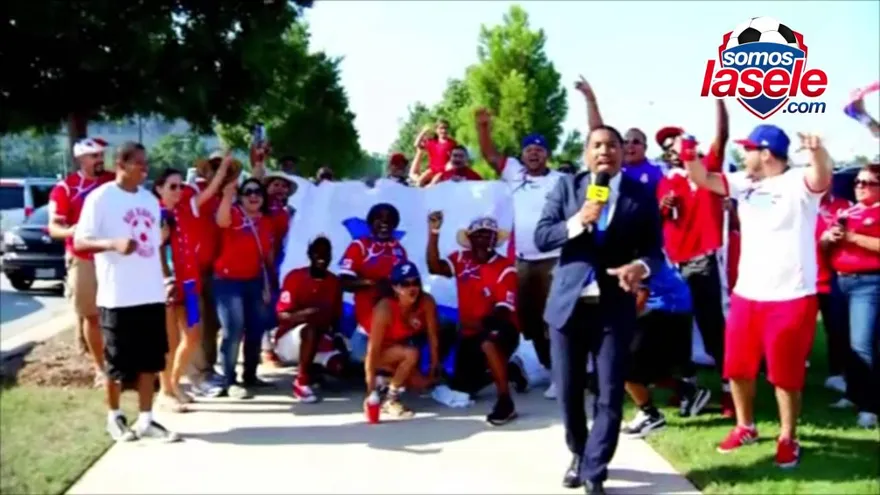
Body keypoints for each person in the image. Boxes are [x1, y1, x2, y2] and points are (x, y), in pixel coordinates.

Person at [683, 125, 832, 468]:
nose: (743, 155)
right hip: (747, 295)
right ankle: (745, 426)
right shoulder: (743, 182)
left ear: (765, 153)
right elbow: (705, 179)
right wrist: (689, 153)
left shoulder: (798, 182)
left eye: (748, 149)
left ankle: (787, 438)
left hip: (792, 296)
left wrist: (817, 151)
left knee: (785, 375)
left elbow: (821, 177)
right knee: (737, 368)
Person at [534, 125, 664, 494]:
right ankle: (578, 452)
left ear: (623, 152)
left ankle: (595, 470)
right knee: (569, 392)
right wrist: (578, 221)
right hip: (568, 308)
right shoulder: (567, 188)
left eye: (612, 145)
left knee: (608, 392)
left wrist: (641, 267)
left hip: (613, 307)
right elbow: (542, 236)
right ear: (586, 153)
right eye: (597, 145)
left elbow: (654, 251)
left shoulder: (640, 195)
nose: (604, 151)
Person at [73, 141, 179, 442]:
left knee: (150, 360)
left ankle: (146, 420)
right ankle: (114, 417)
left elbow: (153, 245)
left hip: (150, 293)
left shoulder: (148, 200)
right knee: (117, 362)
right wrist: (112, 244)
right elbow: (81, 242)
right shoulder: (101, 198)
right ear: (120, 164)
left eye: (146, 163)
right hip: (118, 295)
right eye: (139, 163)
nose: (145, 169)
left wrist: (165, 277)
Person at [475, 107, 563, 400]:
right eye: (529, 150)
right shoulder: (513, 172)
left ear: (547, 154)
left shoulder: (560, 180)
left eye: (539, 149)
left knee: (554, 319)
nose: (534, 154)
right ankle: (550, 369)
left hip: (553, 258)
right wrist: (483, 127)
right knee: (530, 322)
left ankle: (562, 375)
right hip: (523, 261)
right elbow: (490, 155)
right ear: (522, 155)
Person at [654, 100, 732, 417]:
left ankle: (730, 391)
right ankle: (688, 387)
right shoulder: (666, 180)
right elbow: (660, 218)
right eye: (668, 145)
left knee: (713, 327)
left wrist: (719, 99)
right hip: (676, 264)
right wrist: (664, 205)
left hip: (704, 258)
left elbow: (723, 135)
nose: (673, 148)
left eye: (677, 141)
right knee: (678, 329)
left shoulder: (708, 167)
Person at [426, 212, 520, 425]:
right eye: (478, 234)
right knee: (463, 387)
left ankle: (505, 401)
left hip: (501, 329)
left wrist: (472, 325)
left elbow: (501, 314)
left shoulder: (506, 267)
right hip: (470, 333)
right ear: (470, 239)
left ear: (495, 240)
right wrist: (434, 233)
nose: (483, 239)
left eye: (489, 235)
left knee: (488, 342)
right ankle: (510, 370)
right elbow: (434, 267)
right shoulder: (460, 258)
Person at [48, 137, 115, 386]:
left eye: (101, 155)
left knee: (117, 313)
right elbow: (54, 227)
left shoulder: (112, 181)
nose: (99, 160)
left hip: (113, 256)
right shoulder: (65, 188)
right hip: (84, 258)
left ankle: (119, 363)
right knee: (92, 315)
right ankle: (100, 369)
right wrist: (73, 231)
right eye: (94, 156)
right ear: (80, 159)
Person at [621, 258, 711, 438]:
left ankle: (651, 415)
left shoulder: (630, 248)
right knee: (645, 367)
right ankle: (688, 391)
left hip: (666, 307)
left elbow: (641, 293)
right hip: (670, 304)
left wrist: (622, 324)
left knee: (622, 365)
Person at [824, 164, 880, 428]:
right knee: (843, 340)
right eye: (858, 182)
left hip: (868, 283)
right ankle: (853, 394)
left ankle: (870, 406)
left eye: (867, 183)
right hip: (841, 280)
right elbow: (826, 244)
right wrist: (828, 238)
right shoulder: (848, 211)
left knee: (863, 345)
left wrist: (852, 237)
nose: (860, 186)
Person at [152, 168, 213, 412]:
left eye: (180, 186)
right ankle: (166, 391)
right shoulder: (158, 214)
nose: (178, 191)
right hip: (169, 285)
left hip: (189, 283)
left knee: (192, 336)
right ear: (159, 189)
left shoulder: (181, 210)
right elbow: (159, 251)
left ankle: (174, 384)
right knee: (169, 340)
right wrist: (167, 280)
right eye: (172, 186)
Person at [213, 177, 276, 398]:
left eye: (258, 192)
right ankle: (229, 380)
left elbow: (268, 255)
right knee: (233, 330)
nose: (253, 196)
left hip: (254, 280)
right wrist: (228, 194)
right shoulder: (233, 214)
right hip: (227, 281)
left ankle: (250, 375)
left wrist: (270, 282)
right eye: (248, 191)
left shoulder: (266, 221)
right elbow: (221, 221)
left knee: (256, 329)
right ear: (240, 196)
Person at [186, 151, 238, 395]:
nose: (221, 171)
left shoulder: (225, 195)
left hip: (215, 270)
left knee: (212, 324)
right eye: (215, 166)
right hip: (191, 270)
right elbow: (203, 200)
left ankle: (206, 369)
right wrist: (223, 173)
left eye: (225, 168)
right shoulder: (193, 191)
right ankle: (197, 375)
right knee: (195, 321)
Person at [365, 261, 440, 418]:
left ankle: (386, 380)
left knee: (423, 385)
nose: (412, 288)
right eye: (405, 284)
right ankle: (390, 399)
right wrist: (370, 391)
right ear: (395, 287)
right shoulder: (384, 308)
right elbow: (372, 351)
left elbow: (433, 338)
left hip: (402, 351)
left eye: (415, 282)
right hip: (381, 353)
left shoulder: (427, 301)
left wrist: (433, 370)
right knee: (411, 353)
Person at [276, 236, 343, 403]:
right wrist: (305, 314)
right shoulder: (295, 277)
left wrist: (337, 338)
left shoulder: (334, 282)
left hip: (321, 339)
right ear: (309, 254)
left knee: (340, 367)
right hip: (292, 339)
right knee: (310, 330)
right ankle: (301, 381)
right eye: (317, 253)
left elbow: (335, 318)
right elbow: (282, 314)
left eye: (325, 254)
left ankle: (315, 371)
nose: (321, 258)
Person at [339, 203, 409, 363]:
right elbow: (344, 282)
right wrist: (374, 284)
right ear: (370, 222)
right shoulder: (360, 245)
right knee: (360, 358)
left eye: (390, 219)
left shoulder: (399, 249)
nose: (385, 222)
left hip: (395, 316)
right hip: (367, 317)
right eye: (379, 218)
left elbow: (407, 283)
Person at [575, 76, 664, 193]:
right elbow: (598, 132)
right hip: (602, 207)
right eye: (626, 142)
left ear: (645, 147)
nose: (630, 146)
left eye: (636, 142)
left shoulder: (657, 170)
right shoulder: (612, 164)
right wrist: (590, 100)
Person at [815, 191, 853, 396]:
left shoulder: (844, 203)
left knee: (838, 327)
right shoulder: (797, 199)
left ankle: (837, 374)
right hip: (801, 276)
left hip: (831, 277)